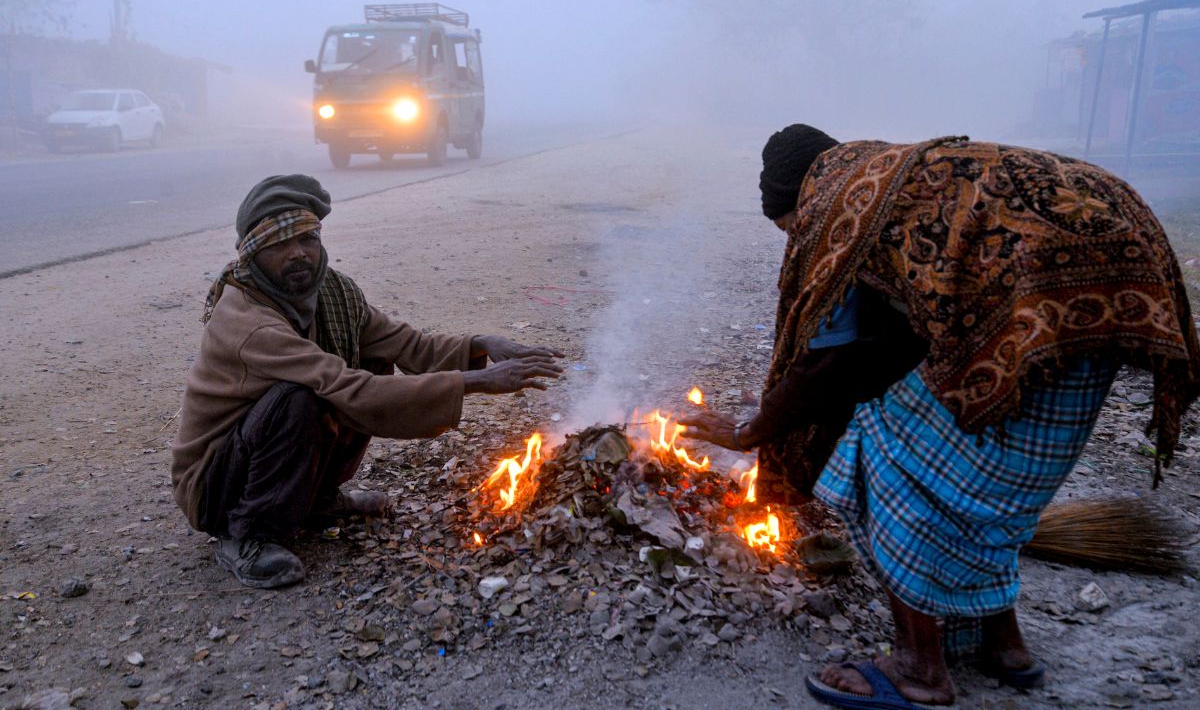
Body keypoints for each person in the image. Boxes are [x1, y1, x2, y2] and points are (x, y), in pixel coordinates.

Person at [681, 125, 1200, 708]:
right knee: (983, 488)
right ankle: (1003, 646)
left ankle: (919, 669)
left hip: (1030, 315)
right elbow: (889, 348)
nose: (793, 241)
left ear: (798, 200)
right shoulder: (897, 182)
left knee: (873, 454)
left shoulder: (838, 211)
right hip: (1102, 307)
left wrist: (750, 431)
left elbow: (829, 365)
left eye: (785, 227)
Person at [170, 174, 563, 589]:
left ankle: (316, 500)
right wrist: (479, 381)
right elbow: (350, 389)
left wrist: (482, 344)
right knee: (299, 399)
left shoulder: (333, 293)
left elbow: (408, 345)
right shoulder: (248, 321)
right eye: (281, 245)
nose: (299, 254)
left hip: (258, 455)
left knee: (374, 359)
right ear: (254, 255)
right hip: (217, 486)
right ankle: (244, 534)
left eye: (308, 240)